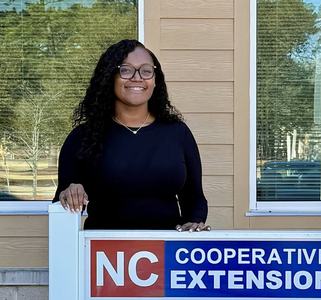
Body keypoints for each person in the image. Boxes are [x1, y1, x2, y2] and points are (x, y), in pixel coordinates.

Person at [53, 39, 209, 232]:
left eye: (146, 70)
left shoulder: (178, 133)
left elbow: (195, 198)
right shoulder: (83, 136)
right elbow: (61, 203)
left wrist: (194, 223)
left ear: (155, 80)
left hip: (167, 252)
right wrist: (69, 194)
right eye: (126, 70)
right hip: (102, 256)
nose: (137, 78)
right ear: (110, 77)